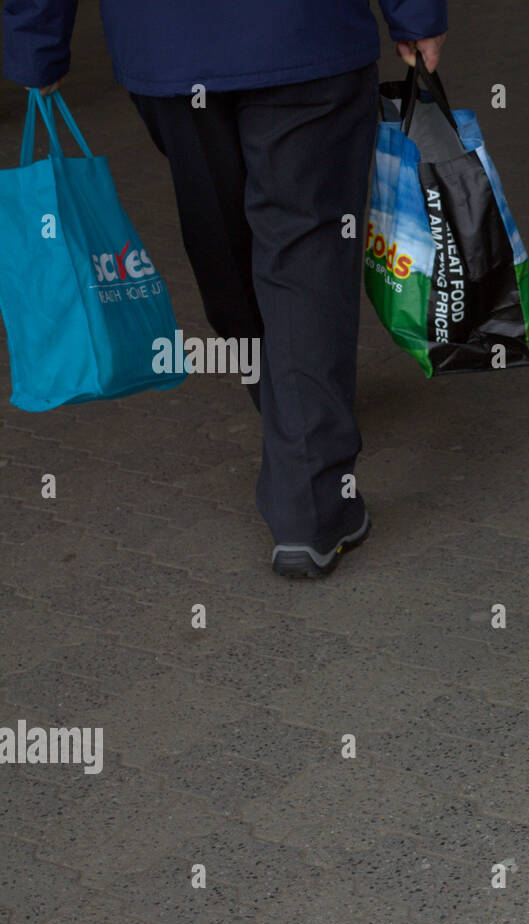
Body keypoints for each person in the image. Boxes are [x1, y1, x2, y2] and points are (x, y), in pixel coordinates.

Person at [2, 1, 448, 577]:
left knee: (219, 239)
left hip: (168, 41)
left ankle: (297, 423)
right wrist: (415, 13)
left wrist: (36, 39)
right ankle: (309, 496)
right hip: (304, 35)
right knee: (303, 251)